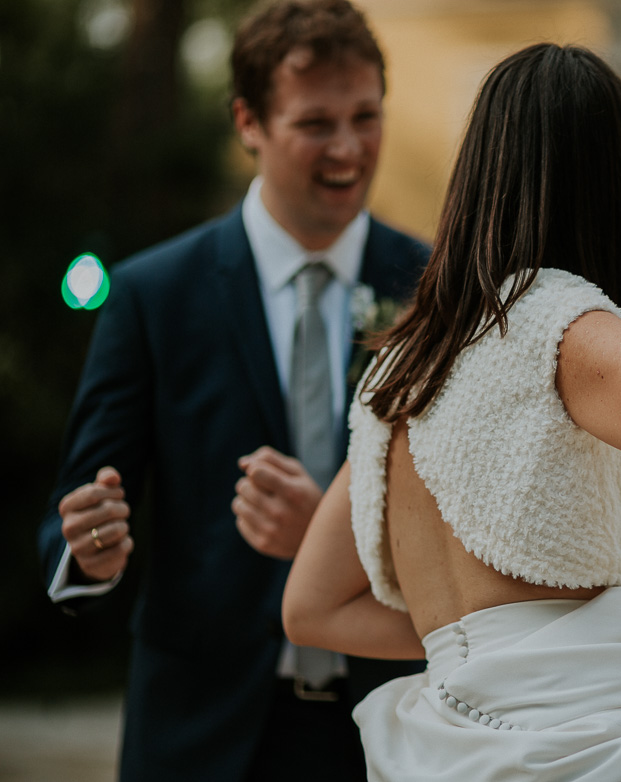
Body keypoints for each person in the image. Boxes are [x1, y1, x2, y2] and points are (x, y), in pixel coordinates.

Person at [283, 1, 621, 778]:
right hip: (587, 749)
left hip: (439, 753)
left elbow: (311, 607)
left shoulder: (399, 371)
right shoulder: (555, 328)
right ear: (620, 187)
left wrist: (473, 640)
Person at [36, 1, 428, 779]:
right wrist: (90, 550)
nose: (348, 148)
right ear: (248, 121)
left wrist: (329, 536)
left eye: (365, 115)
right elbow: (78, 506)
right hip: (199, 731)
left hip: (387, 726)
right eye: (316, 123)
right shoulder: (153, 295)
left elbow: (463, 530)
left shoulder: (433, 290)